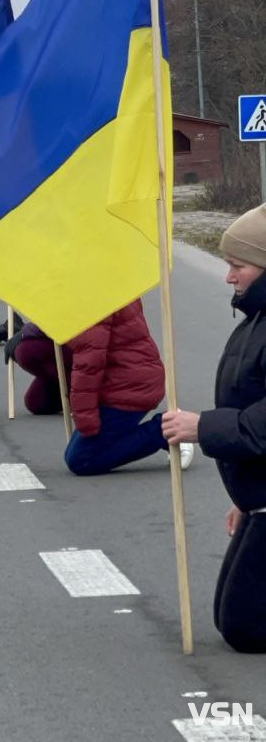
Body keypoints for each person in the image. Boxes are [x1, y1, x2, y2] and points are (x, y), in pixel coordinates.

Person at [162, 204, 266, 654]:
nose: (228, 277)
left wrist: (202, 427)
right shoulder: (255, 319)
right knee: (230, 617)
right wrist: (247, 499)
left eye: (237, 266)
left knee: (246, 629)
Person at [60, 299, 194, 475]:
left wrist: (85, 419)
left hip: (129, 386)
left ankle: (166, 429)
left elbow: (88, 365)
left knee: (81, 459)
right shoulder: (109, 286)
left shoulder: (93, 299)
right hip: (126, 380)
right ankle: (163, 428)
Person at [4, 321, 73, 415]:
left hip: (88, 346)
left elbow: (57, 321)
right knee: (36, 401)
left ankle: (89, 392)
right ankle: (80, 391)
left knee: (26, 350)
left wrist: (24, 332)